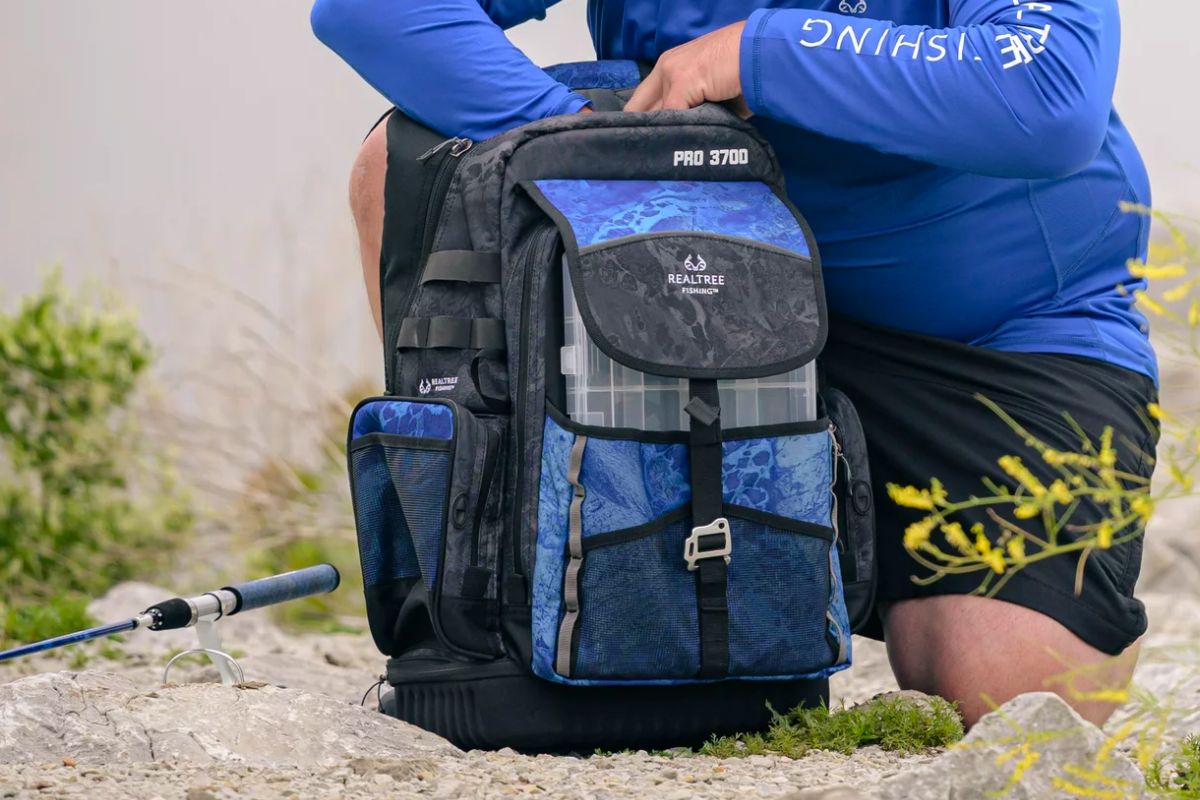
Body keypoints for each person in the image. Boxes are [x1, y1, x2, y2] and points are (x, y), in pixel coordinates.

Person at [311, 0, 1158, 727]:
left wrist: (753, 51)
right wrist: (589, 152)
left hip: (1002, 337)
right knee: (403, 155)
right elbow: (373, 9)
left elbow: (1047, 94)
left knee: (1014, 700)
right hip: (707, 298)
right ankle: (480, 582)